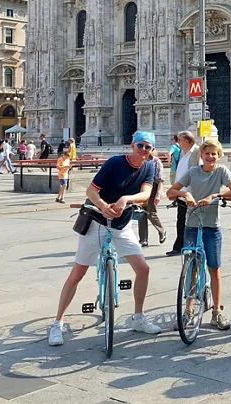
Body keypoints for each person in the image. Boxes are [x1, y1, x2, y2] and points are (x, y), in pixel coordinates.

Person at [48, 131, 161, 347]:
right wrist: (103, 206)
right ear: (132, 145)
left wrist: (125, 199)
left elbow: (146, 194)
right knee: (77, 274)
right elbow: (91, 190)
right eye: (141, 146)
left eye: (148, 147)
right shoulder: (114, 163)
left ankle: (138, 317)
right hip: (97, 221)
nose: (144, 150)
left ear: (152, 150)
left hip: (122, 224)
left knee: (143, 268)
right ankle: (58, 323)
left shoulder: (149, 166)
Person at [167, 139, 231, 330]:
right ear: (201, 155)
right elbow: (171, 192)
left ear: (219, 156)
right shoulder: (193, 172)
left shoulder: (221, 172)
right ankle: (189, 311)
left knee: (214, 268)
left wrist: (214, 196)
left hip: (211, 225)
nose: (210, 157)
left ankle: (217, 312)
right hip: (191, 224)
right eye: (207, 153)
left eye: (214, 154)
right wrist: (186, 195)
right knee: (191, 268)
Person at [166, 131, 201, 256]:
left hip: (192, 195)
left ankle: (190, 246)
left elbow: (200, 172)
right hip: (182, 195)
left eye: (180, 140)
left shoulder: (197, 152)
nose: (178, 142)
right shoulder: (183, 153)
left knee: (192, 222)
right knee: (180, 220)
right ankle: (179, 246)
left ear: (186, 141)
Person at [137, 148, 166, 247]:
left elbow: (160, 179)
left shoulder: (156, 161)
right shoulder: (139, 160)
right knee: (140, 214)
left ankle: (161, 230)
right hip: (139, 189)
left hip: (152, 188)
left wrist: (158, 193)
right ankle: (143, 240)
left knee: (151, 213)